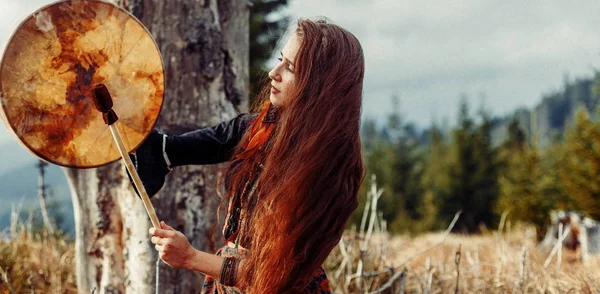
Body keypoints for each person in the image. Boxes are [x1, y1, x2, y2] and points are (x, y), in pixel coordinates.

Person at [133, 18, 365, 293]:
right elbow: (182, 147)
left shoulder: (330, 168)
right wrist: (134, 129)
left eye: (289, 68)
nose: (273, 73)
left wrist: (191, 257)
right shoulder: (261, 130)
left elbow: (277, 275)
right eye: (280, 60)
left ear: (319, 86)